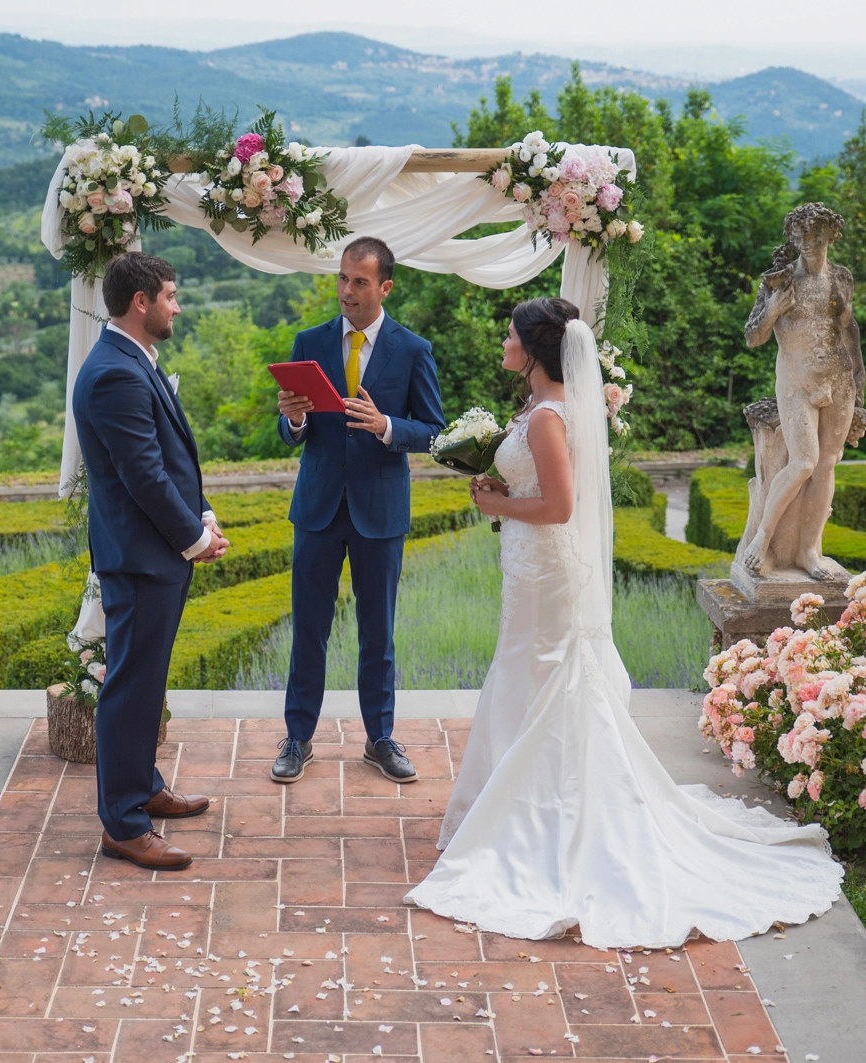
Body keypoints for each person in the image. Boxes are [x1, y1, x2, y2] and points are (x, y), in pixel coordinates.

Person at [404, 297, 844, 948]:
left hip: (547, 573)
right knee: (525, 676)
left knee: (546, 677)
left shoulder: (548, 417)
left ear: (532, 350)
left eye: (509, 335)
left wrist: (499, 501)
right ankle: (518, 805)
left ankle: (543, 817)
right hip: (529, 570)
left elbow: (558, 505)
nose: (502, 342)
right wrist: (501, 504)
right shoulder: (532, 408)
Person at [72, 252, 230, 871]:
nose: (176, 304)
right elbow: (142, 476)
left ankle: (145, 789)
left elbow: (169, 459)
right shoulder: (116, 373)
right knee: (130, 689)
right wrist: (194, 540)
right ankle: (123, 825)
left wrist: (204, 515)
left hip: (152, 552)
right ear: (141, 302)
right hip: (141, 558)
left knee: (144, 683)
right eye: (170, 294)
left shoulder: (131, 361)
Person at [272, 237, 445, 784]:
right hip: (318, 508)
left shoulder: (413, 350)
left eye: (360, 282)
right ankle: (297, 738)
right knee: (310, 631)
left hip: (379, 510)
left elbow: (435, 431)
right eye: (343, 279)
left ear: (385, 286)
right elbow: (290, 431)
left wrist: (388, 426)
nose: (347, 291)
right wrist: (294, 418)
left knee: (379, 633)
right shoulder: (309, 341)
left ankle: (381, 739)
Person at [740, 202, 863, 578]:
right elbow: (753, 336)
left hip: (839, 381)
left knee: (827, 465)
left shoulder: (841, 278)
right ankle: (762, 538)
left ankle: (810, 551)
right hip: (796, 381)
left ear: (830, 236)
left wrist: (860, 392)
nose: (807, 243)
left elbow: (849, 332)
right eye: (800, 236)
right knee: (804, 461)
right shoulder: (779, 280)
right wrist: (773, 309)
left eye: (814, 235)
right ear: (793, 238)